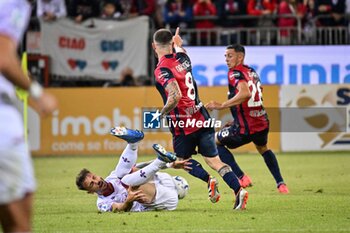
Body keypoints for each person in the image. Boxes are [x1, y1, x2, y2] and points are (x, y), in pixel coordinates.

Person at [152, 27, 248, 210]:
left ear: (153, 46)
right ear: (171, 44)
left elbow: (175, 96)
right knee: (214, 160)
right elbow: (181, 51)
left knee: (178, 161)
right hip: (201, 117)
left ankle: (208, 179)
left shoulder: (161, 69)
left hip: (183, 123)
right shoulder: (183, 58)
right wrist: (178, 43)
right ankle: (238, 190)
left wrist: (160, 114)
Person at [0, 0, 58, 232]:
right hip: (2, 116)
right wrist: (37, 93)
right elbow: (4, 58)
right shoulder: (13, 4)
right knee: (20, 221)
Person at [205, 44, 289, 194]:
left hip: (246, 127)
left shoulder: (234, 73)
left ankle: (241, 177)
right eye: (225, 56)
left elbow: (245, 94)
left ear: (240, 57)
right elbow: (255, 95)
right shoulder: (252, 71)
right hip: (261, 123)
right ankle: (281, 184)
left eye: (229, 56)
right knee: (263, 148)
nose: (226, 59)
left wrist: (222, 105)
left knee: (214, 141)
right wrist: (237, 118)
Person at [76, 127, 190, 212]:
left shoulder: (112, 177)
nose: (97, 181)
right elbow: (120, 208)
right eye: (92, 184)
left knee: (123, 175)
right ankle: (138, 147)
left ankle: (134, 143)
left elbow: (139, 167)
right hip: (162, 199)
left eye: (94, 178)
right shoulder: (102, 203)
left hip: (160, 182)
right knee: (125, 179)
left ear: (97, 175)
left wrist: (170, 164)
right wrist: (128, 200)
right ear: (90, 192)